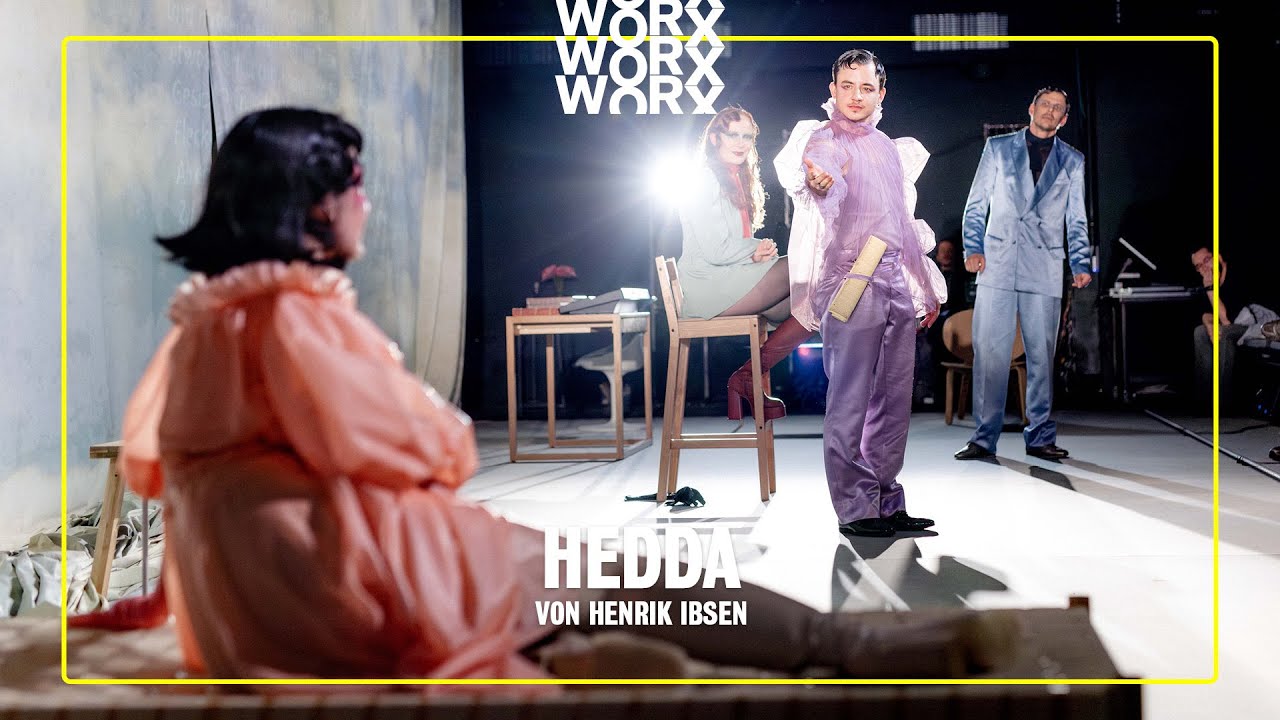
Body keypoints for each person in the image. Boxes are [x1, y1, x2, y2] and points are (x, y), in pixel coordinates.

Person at [68, 107, 1017, 683]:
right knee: (644, 583)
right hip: (342, 593)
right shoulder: (296, 318)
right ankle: (845, 647)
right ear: (316, 202)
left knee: (588, 580)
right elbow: (440, 451)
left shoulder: (204, 324)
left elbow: (171, 472)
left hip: (243, 607)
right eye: (354, 184)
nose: (367, 202)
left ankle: (585, 645)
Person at [774, 49, 945, 538]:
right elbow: (821, 178)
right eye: (846, 86)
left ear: (880, 93)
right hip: (850, 279)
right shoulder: (824, 139)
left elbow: (902, 224)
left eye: (866, 87)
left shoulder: (887, 147)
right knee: (850, 398)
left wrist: (925, 287)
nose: (855, 96)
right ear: (832, 90)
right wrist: (819, 180)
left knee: (893, 399)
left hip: (894, 278)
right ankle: (854, 507)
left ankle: (887, 501)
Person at [953, 87, 1092, 462]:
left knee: (1041, 357)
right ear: (1032, 108)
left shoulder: (1072, 160)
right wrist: (973, 247)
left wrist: (1080, 262)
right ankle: (984, 438)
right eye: (1045, 104)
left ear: (1064, 118)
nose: (1050, 111)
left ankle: (1040, 436)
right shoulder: (998, 148)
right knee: (990, 355)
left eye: (1057, 108)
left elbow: (1076, 217)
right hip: (998, 261)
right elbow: (976, 203)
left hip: (1044, 266)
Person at [676, 106, 812, 421]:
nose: (741, 143)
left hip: (727, 278)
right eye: (733, 135)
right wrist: (755, 250)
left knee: (814, 303)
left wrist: (755, 254)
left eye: (747, 137)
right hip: (706, 286)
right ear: (715, 138)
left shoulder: (734, 178)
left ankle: (748, 376)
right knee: (805, 265)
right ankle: (748, 378)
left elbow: (728, 245)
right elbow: (715, 250)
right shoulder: (705, 178)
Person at [1190, 246, 1247, 412]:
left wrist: (1210, 290)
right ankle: (1202, 402)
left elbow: (1226, 320)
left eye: (1206, 260)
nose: (1204, 268)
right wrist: (1209, 326)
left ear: (1218, 257)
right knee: (1200, 332)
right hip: (1230, 326)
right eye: (1198, 266)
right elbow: (1206, 314)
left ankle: (1222, 403)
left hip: (1253, 326)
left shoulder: (1235, 275)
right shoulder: (1211, 281)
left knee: (1223, 332)